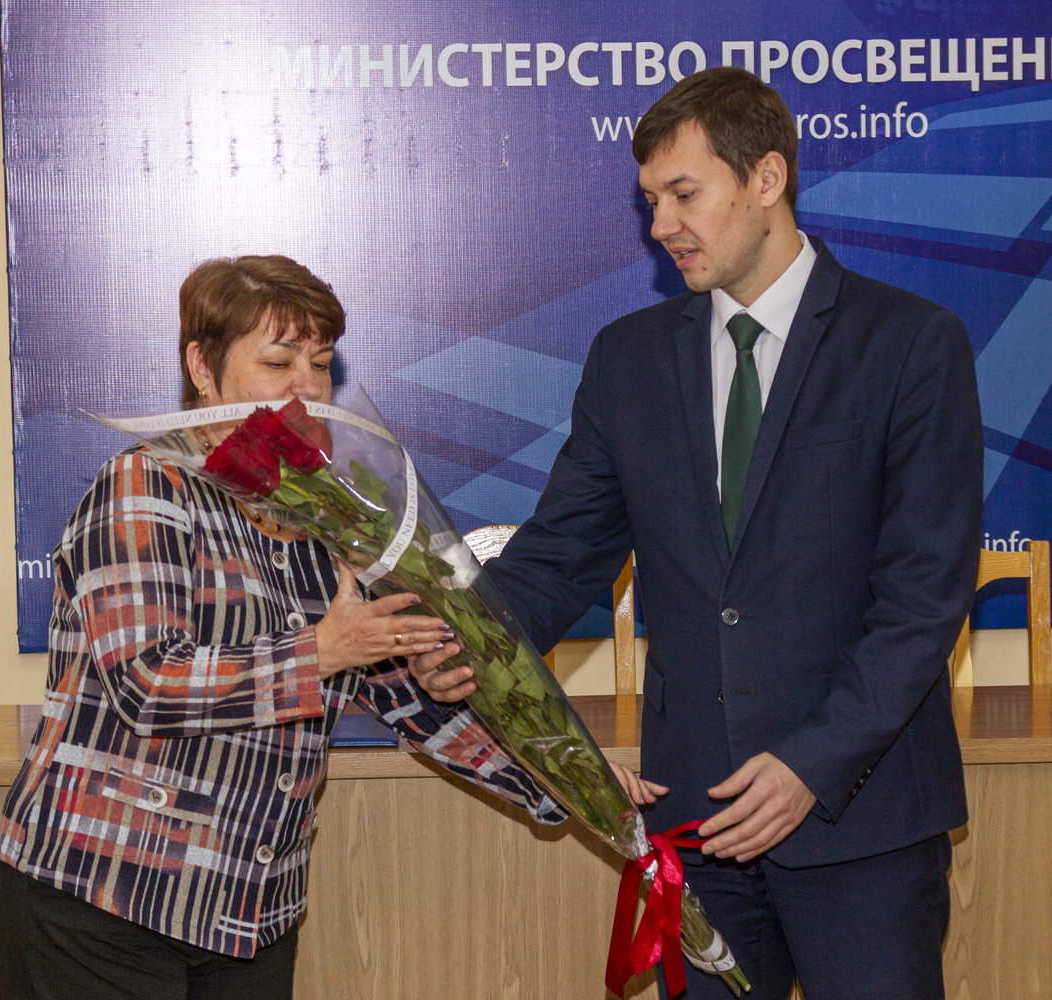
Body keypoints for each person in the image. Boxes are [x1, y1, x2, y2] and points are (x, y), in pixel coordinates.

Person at [411, 68, 982, 999]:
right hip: (696, 828)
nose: (661, 225)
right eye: (651, 201)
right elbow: (560, 553)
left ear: (766, 178)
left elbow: (924, 599)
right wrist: (465, 640)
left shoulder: (910, 344)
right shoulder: (628, 358)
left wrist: (809, 766)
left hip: (861, 825)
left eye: (684, 194)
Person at [0, 255, 565, 1000]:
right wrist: (323, 650)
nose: (307, 386)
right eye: (278, 361)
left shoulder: (321, 513)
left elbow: (401, 692)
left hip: (249, 910)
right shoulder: (143, 485)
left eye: (320, 364)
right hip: (103, 901)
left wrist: (559, 775)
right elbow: (147, 683)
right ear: (202, 367)